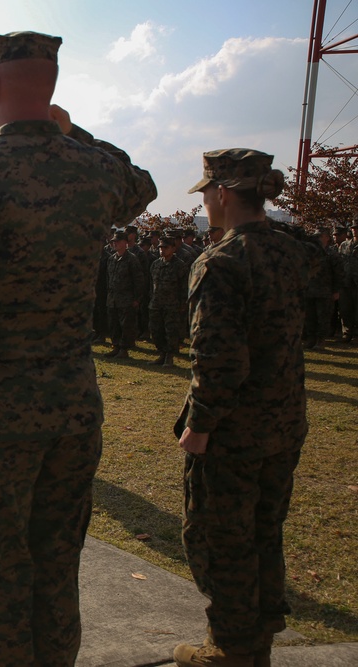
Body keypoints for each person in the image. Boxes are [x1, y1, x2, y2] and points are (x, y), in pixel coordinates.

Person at [0, 31, 156, 666]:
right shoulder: (95, 170)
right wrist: (72, 133)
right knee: (55, 572)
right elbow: (143, 186)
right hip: (73, 413)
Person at [173, 149, 312, 667]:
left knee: (221, 540)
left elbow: (218, 358)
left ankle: (229, 650)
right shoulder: (291, 251)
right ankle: (258, 646)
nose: (205, 202)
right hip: (284, 422)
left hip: (234, 432)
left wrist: (200, 424)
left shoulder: (221, 261)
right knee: (264, 531)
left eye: (207, 192)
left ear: (224, 193)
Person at [147, 235, 188, 366]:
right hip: (156, 304)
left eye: (165, 247)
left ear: (173, 248)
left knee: (171, 331)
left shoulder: (180, 265)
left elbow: (184, 287)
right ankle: (162, 354)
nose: (162, 250)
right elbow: (151, 284)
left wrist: (183, 304)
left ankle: (169, 356)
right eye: (160, 247)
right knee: (156, 330)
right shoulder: (156, 264)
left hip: (172, 305)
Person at [105, 228, 145, 359]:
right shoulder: (111, 259)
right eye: (113, 241)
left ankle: (124, 349)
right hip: (113, 299)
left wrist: (137, 299)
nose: (114, 243)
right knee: (114, 324)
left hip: (126, 299)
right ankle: (116, 346)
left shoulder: (132, 259)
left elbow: (139, 280)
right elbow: (108, 279)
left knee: (126, 326)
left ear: (125, 242)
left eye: (117, 241)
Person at [303, 228, 342, 350]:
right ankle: (311, 339)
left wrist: (336, 290)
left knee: (323, 317)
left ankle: (321, 340)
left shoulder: (331, 254)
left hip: (325, 291)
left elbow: (338, 273)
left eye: (320, 236)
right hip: (310, 290)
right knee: (310, 317)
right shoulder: (310, 253)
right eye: (316, 236)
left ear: (327, 238)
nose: (318, 239)